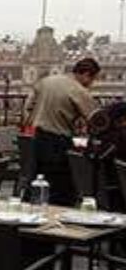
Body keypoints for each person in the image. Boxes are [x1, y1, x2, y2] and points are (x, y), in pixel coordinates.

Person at [27, 57, 101, 207]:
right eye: (92, 80)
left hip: (38, 137)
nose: (91, 84)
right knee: (61, 188)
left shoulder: (47, 81)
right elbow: (96, 119)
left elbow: (29, 106)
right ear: (86, 74)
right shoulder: (77, 90)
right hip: (58, 142)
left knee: (38, 181)